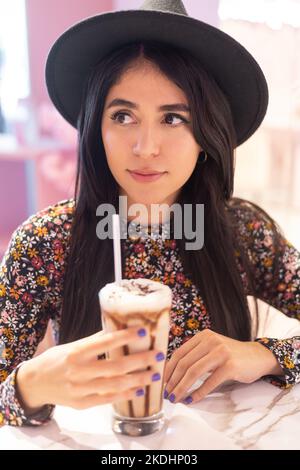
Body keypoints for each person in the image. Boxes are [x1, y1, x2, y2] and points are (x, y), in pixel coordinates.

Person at [0, 0, 299, 428]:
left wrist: (263, 354)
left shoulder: (244, 232)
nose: (145, 147)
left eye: (173, 119)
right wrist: (31, 384)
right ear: (95, 127)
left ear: (206, 134)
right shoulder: (47, 242)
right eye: (123, 116)